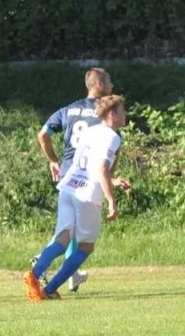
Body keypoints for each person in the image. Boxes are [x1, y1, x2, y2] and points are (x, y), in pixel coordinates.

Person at [26, 95, 129, 301]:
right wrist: (111, 201)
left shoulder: (91, 131)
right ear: (112, 114)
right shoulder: (112, 137)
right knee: (86, 247)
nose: (125, 114)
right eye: (122, 111)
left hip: (69, 187)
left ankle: (33, 276)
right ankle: (49, 289)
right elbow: (101, 168)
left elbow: (92, 165)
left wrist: (114, 181)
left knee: (61, 240)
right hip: (87, 195)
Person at [35, 67, 114, 292]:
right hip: (89, 176)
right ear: (99, 85)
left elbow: (43, 134)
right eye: (109, 82)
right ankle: (41, 264)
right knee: (81, 238)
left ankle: (70, 275)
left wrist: (52, 160)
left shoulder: (68, 110)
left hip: (69, 174)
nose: (112, 86)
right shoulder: (104, 114)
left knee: (68, 229)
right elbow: (105, 157)